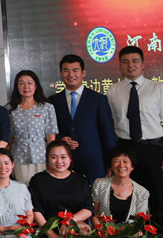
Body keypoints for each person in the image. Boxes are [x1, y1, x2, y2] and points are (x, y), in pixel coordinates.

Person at [106, 46, 163, 227]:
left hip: (153, 149)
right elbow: (110, 126)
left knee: (157, 200)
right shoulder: (113, 91)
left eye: (135, 61)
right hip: (125, 150)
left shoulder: (157, 88)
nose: (130, 65)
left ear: (143, 64)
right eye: (125, 62)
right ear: (120, 65)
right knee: (128, 199)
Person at [49, 54, 116, 185]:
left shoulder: (98, 99)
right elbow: (48, 131)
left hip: (93, 162)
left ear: (83, 73)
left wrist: (111, 162)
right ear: (61, 74)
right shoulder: (53, 101)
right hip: (63, 164)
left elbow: (107, 133)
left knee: (95, 196)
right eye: (66, 70)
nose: (71, 74)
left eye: (75, 70)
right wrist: (61, 139)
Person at [28, 140, 93, 237]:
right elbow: (36, 210)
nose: (59, 161)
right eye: (53, 157)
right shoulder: (38, 180)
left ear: (70, 158)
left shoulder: (80, 180)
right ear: (47, 159)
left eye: (63, 157)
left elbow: (88, 209)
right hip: (46, 230)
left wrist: (68, 222)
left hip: (74, 229)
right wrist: (50, 234)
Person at [6, 70, 57, 183]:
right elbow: (10, 138)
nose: (26, 87)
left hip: (41, 157)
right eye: (21, 83)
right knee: (22, 189)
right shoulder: (10, 110)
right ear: (17, 87)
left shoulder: (47, 108)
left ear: (36, 86)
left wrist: (52, 158)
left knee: (42, 188)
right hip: (19, 157)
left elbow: (51, 137)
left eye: (29, 83)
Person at [91, 146, 150, 225]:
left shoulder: (142, 192)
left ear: (132, 167)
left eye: (125, 161)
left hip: (129, 231)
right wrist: (100, 228)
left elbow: (139, 221)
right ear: (111, 166)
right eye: (117, 161)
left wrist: (127, 231)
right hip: (103, 230)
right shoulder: (100, 184)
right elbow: (92, 212)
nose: (121, 165)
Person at [0, 148, 34, 232]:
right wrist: (5, 229)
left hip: (21, 235)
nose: (3, 167)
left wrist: (20, 229)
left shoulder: (22, 187)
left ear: (12, 164)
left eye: (6, 163)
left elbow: (30, 215)